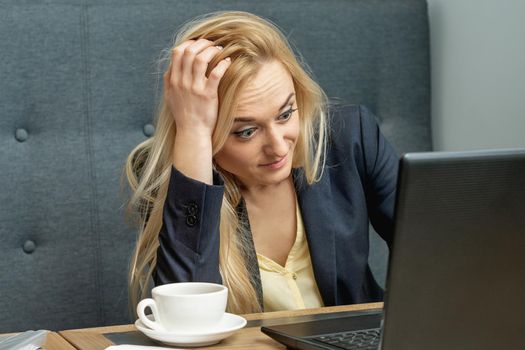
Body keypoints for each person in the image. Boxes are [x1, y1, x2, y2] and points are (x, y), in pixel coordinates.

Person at [126, 11, 398, 315]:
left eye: (285, 114)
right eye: (246, 131)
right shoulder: (176, 180)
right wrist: (192, 132)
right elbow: (189, 317)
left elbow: (440, 246)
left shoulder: (350, 139)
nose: (278, 146)